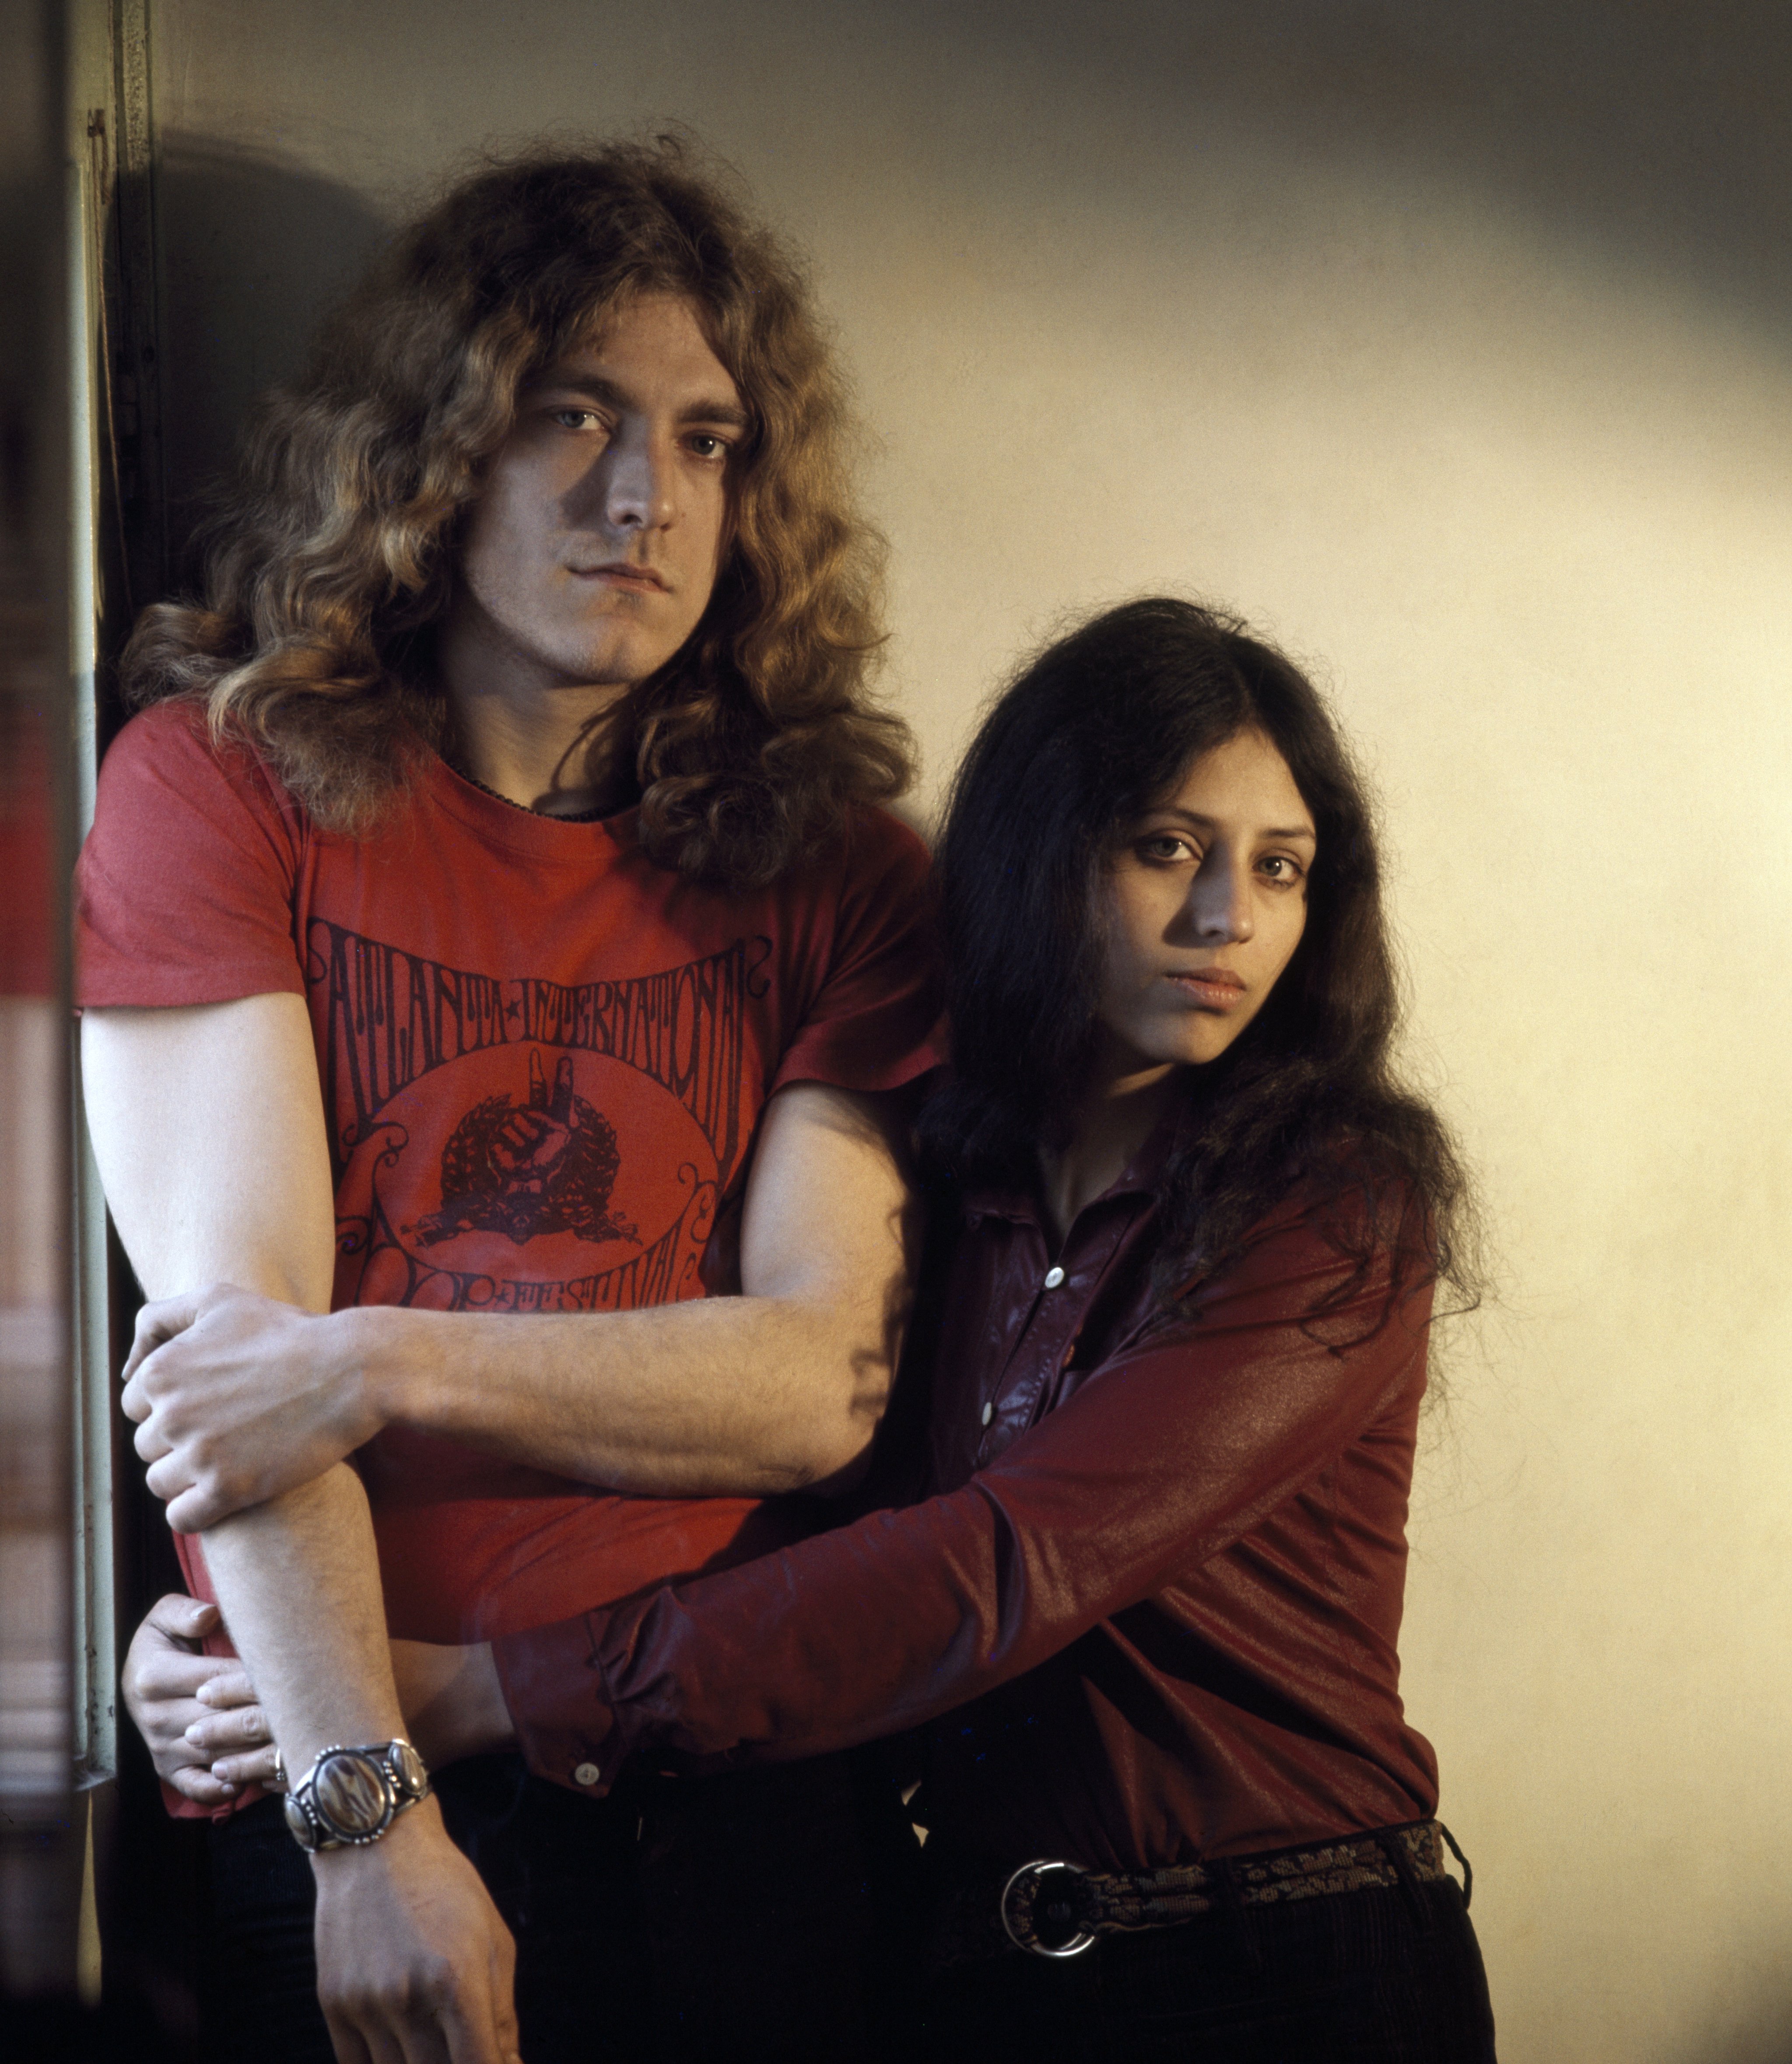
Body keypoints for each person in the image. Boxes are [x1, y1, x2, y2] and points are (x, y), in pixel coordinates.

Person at [235, 594, 1492, 2060]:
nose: (1231, 918)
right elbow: (795, 1531)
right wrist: (259, 1653)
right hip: (973, 1970)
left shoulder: (1332, 1200)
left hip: (1286, 1965)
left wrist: (480, 1688)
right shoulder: (948, 1188)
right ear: (1043, 854)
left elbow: (1001, 1567)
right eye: (1170, 848)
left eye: (1280, 868)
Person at [78, 140, 942, 2063]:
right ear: (430, 448)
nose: (647, 496)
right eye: (578, 415)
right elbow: (232, 1364)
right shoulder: (214, 791)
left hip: (720, 1784)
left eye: (710, 442)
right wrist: (364, 1817)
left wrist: (378, 1360)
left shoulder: (848, 868)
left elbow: (814, 1384)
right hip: (329, 1768)